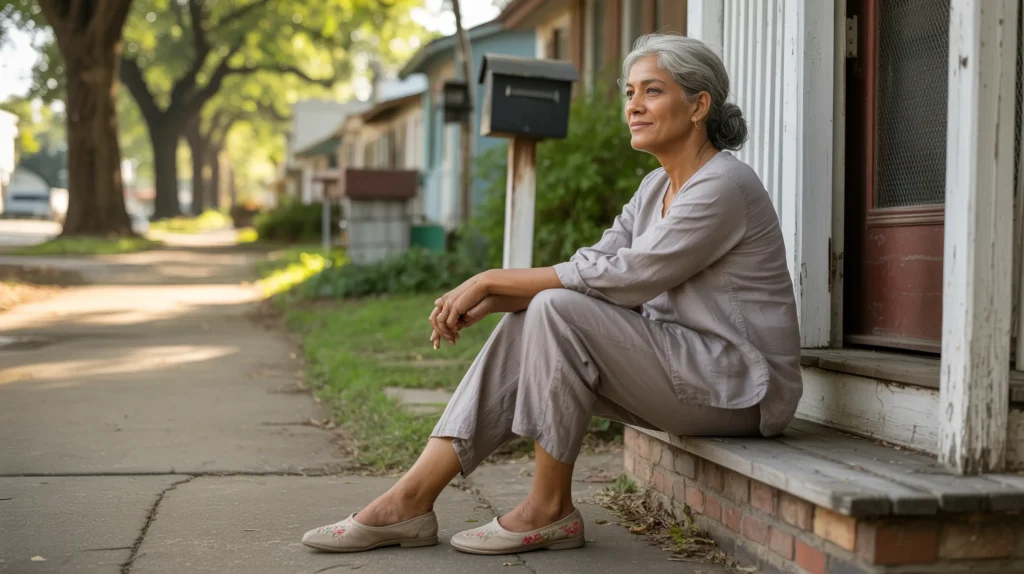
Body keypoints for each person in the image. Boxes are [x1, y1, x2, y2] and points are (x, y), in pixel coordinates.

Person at [301, 33, 802, 556]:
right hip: (684, 368)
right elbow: (599, 262)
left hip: (743, 387)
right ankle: (410, 499)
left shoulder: (723, 186)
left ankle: (548, 509)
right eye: (629, 92)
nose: (633, 105)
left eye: (651, 91)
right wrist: (504, 301)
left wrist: (492, 279)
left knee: (556, 308)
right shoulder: (655, 189)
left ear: (699, 105)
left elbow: (625, 277)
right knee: (533, 316)